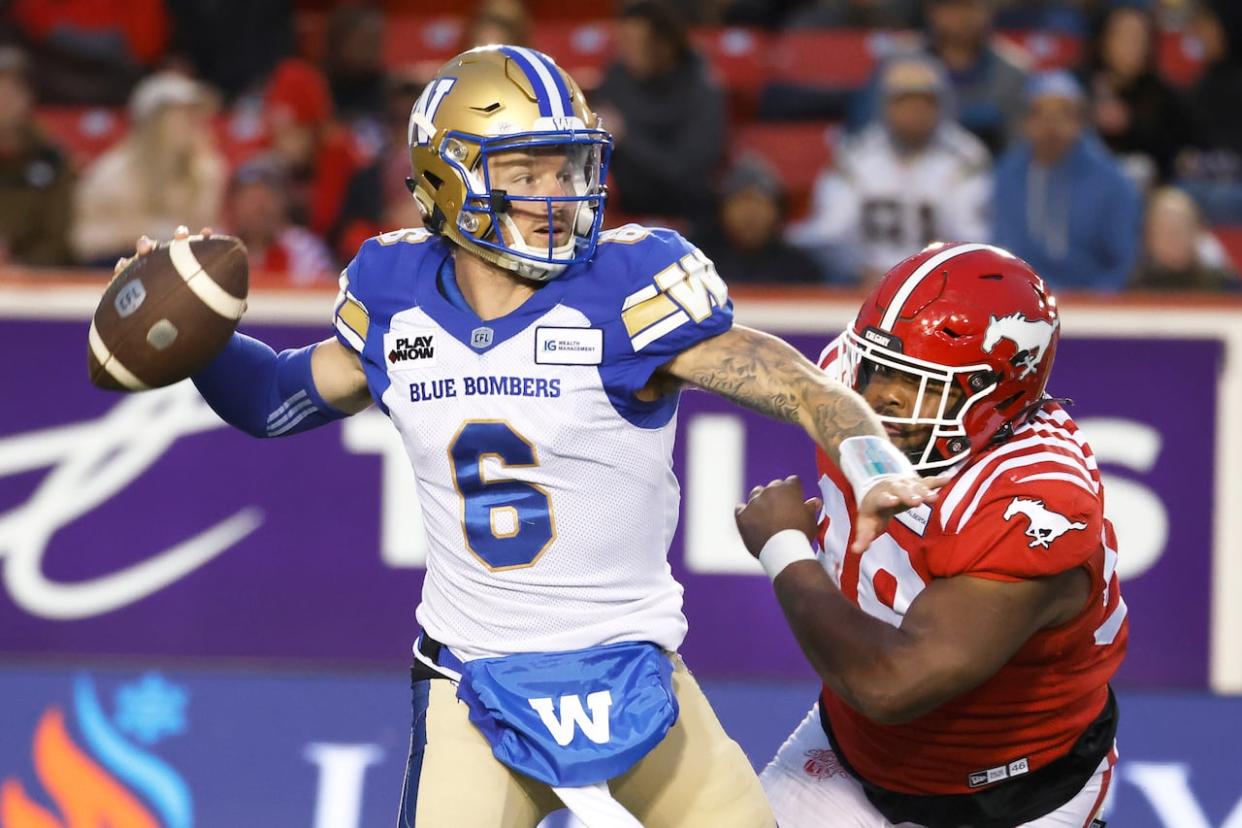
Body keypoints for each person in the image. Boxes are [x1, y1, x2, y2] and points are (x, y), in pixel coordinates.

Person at [117, 46, 938, 827]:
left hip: (634, 671)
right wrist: (195, 340)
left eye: (566, 167)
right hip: (474, 683)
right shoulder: (397, 295)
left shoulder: (627, 290)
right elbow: (271, 400)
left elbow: (797, 383)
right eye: (523, 172)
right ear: (446, 180)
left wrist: (869, 459)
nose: (557, 194)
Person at [741, 241, 1128, 827]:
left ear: (997, 394)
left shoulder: (1033, 499)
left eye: (923, 383)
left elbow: (893, 686)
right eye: (878, 368)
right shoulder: (851, 387)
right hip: (854, 751)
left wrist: (784, 548)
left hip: (1016, 792)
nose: (884, 396)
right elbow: (772, 374)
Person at [792, 54, 991, 284]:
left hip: (944, 283)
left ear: (940, 106)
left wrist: (937, 275)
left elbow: (973, 236)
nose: (914, 111)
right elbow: (830, 232)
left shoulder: (967, 157)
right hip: (863, 283)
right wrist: (859, 269)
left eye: (924, 102)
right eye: (904, 101)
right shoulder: (854, 156)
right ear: (886, 105)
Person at [992, 70, 1141, 291]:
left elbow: (1123, 262)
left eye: (1063, 115)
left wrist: (1094, 303)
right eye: (1041, 114)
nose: (1051, 126)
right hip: (1021, 303)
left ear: (1080, 122)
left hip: (1093, 306)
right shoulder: (1006, 177)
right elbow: (997, 249)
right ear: (1026, 123)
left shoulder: (1113, 183)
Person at [591, 0, 726, 230]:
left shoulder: (702, 89)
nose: (627, 53)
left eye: (637, 43)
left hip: (689, 214)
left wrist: (626, 137)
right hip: (624, 208)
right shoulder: (616, 79)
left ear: (665, 44)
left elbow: (687, 171)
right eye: (623, 42)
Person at [72, 70, 225, 266]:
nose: (194, 122)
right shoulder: (110, 176)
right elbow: (84, 241)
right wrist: (146, 233)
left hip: (186, 271)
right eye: (183, 113)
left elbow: (210, 231)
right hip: (120, 271)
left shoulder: (207, 170)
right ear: (153, 122)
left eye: (195, 114)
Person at [1083, 3, 1194, 188]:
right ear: (1103, 40)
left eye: (1138, 38)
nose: (1131, 47)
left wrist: (1131, 125)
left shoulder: (1164, 95)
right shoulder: (1078, 87)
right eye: (1122, 37)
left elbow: (1177, 155)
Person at [693, 154, 825, 285]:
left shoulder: (800, 269)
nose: (750, 213)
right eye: (741, 201)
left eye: (760, 203)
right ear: (722, 209)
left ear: (777, 210)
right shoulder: (694, 261)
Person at [0, 46, 75, 267]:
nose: (3, 102)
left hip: (32, 281)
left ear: (28, 97)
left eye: (11, 92)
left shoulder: (51, 160)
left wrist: (18, 265)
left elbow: (57, 235)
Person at [1131, 186, 1238, 292]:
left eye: (1180, 229)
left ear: (1197, 231)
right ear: (1150, 237)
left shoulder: (1222, 284)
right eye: (1165, 231)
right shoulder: (1133, 288)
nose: (1173, 239)